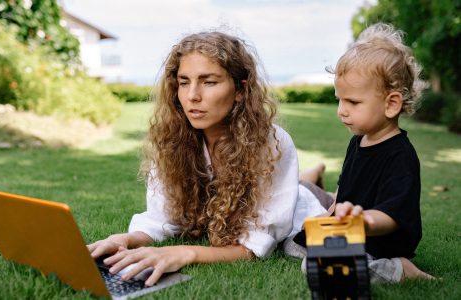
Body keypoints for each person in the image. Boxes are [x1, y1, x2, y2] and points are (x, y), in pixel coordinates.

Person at [87, 31, 329, 286]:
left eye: (209, 82)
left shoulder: (272, 144)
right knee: (301, 184)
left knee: (310, 195)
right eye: (183, 82)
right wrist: (125, 239)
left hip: (300, 204)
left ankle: (314, 179)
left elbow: (255, 246)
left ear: (240, 89)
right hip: (285, 188)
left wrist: (185, 252)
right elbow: (160, 218)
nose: (192, 96)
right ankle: (312, 175)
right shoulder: (173, 141)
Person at [287, 23, 435, 283]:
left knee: (316, 264)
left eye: (353, 102)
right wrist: (330, 214)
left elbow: (392, 215)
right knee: (293, 244)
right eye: (339, 99)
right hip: (349, 231)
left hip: (379, 240)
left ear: (391, 104)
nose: (341, 110)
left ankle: (400, 269)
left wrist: (361, 221)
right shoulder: (358, 141)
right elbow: (348, 190)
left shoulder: (400, 156)